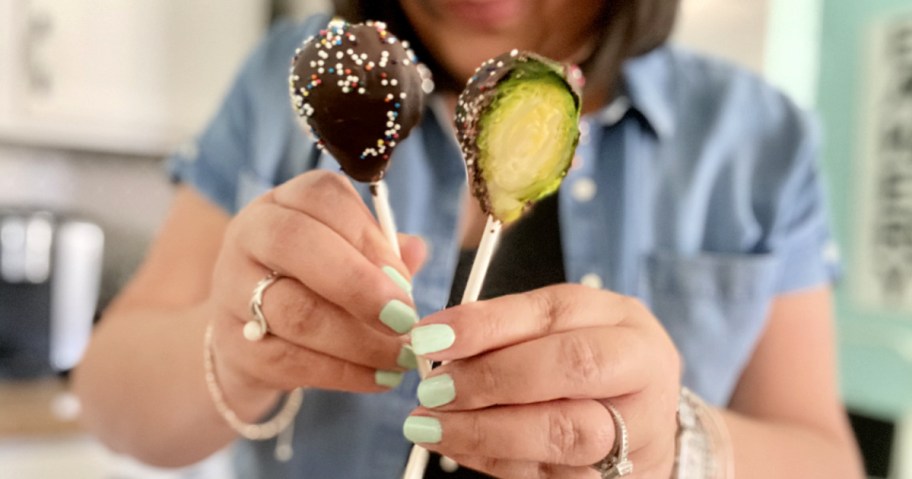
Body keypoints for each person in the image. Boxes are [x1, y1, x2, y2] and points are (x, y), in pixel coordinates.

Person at [72, 0, 866, 477]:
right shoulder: (289, 80)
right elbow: (110, 395)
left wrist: (676, 450)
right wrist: (234, 349)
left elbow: (826, 462)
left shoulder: (758, 140)